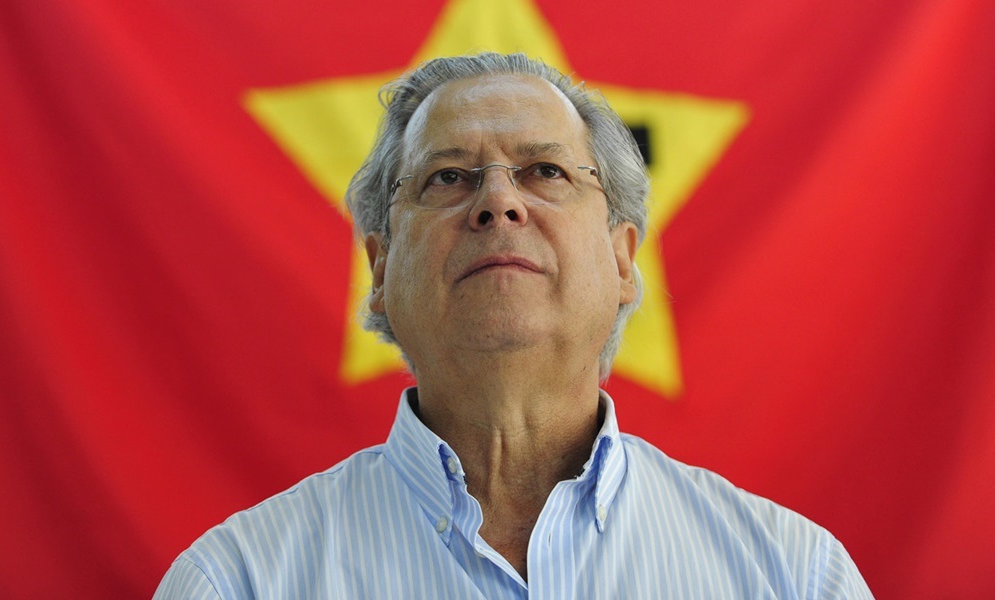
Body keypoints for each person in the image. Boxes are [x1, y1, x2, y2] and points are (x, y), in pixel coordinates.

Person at [155, 52, 872, 599]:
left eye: (545, 171)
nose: (498, 202)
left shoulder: (795, 576)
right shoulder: (237, 582)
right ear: (380, 272)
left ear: (623, 261)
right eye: (447, 176)